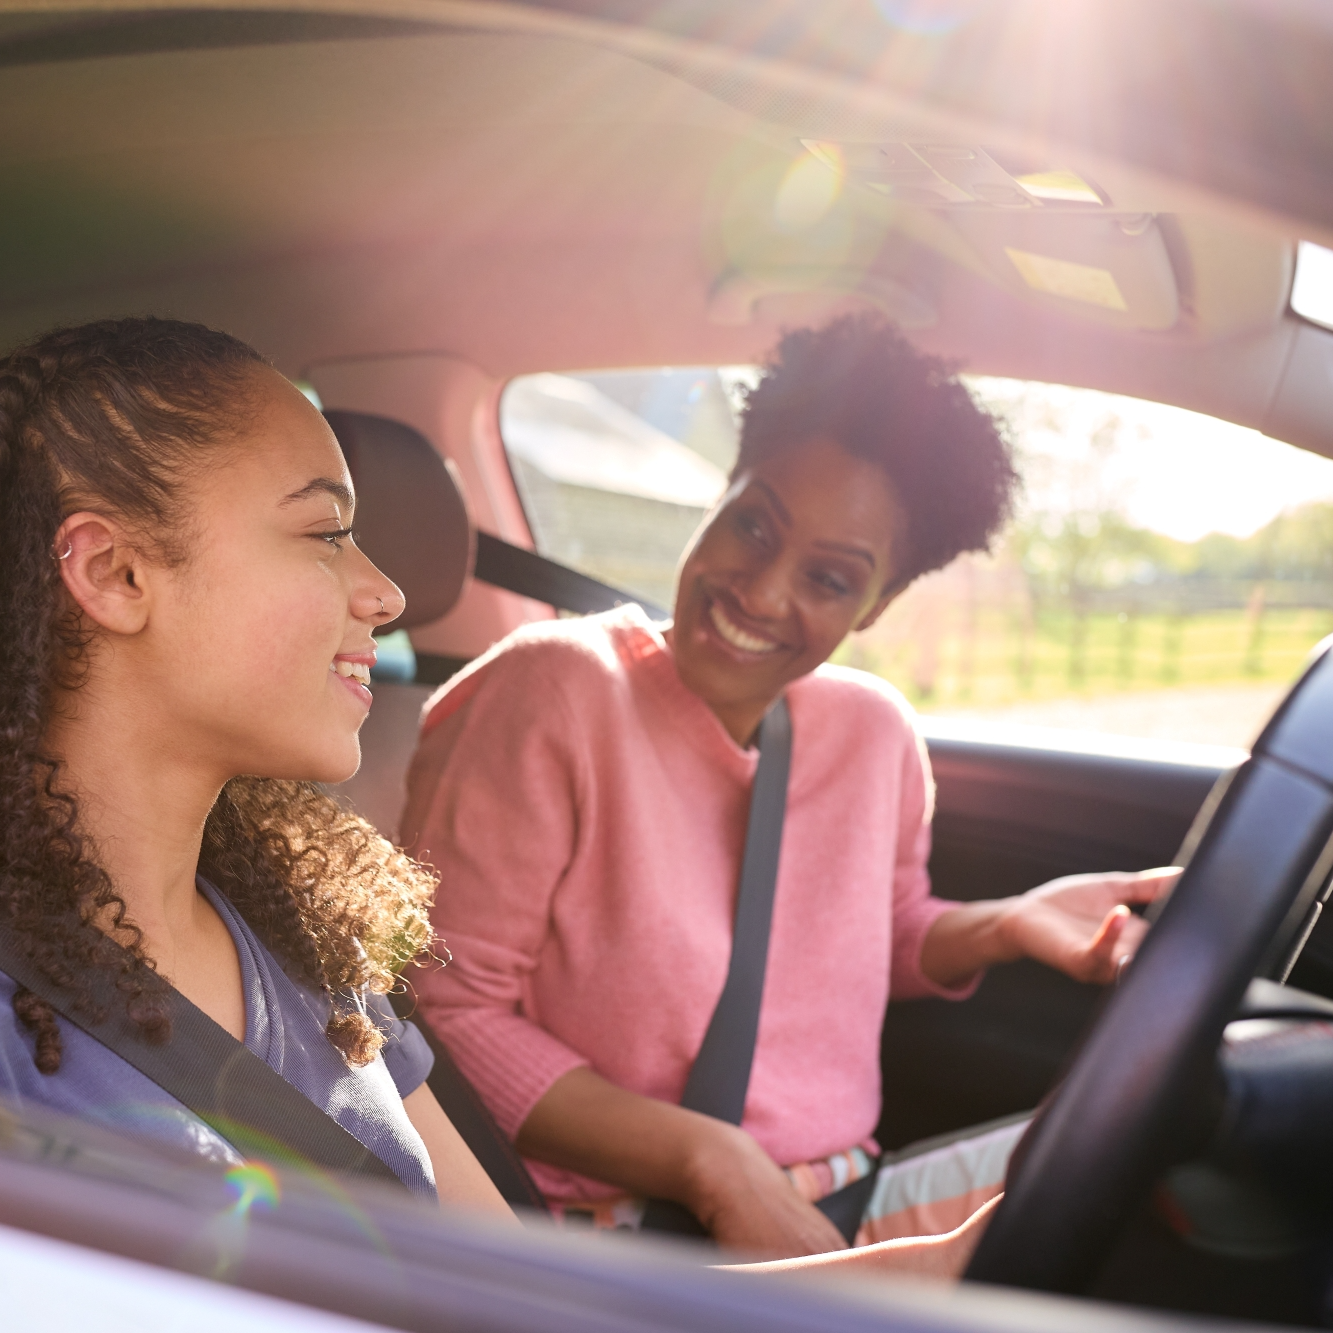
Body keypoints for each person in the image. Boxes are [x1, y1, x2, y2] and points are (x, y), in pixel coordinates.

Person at [0, 314, 999, 1283]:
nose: (384, 592)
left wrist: (918, 1271)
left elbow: (529, 1297)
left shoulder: (304, 945)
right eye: (323, 532)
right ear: (114, 571)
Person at [401, 314, 1179, 1259]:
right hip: (618, 1231)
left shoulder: (873, 729)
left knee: (1169, 1163)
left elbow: (878, 932)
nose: (763, 592)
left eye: (829, 576)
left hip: (839, 1200)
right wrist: (709, 1161)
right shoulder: (552, 689)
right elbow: (447, 1013)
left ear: (878, 602)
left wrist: (1008, 921)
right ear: (721, 492)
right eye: (753, 523)